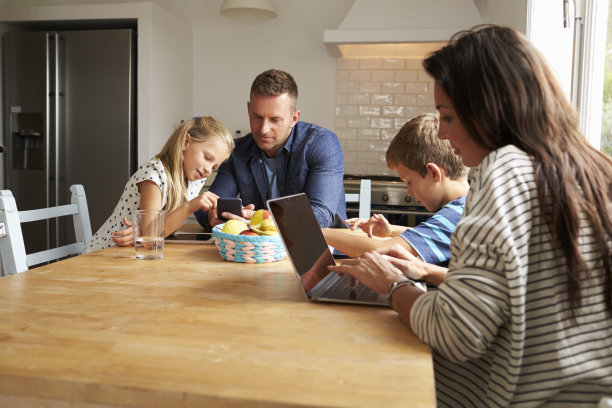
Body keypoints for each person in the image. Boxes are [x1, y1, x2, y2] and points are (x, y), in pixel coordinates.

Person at [329, 24, 612, 407]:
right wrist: (429, 273)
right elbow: (524, 290)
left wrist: (392, 285)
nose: (443, 135)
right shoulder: (590, 167)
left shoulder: (505, 172)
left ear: (487, 111)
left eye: (447, 117)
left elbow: (454, 331)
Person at [194, 69, 346, 230]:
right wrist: (212, 216)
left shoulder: (322, 144)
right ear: (249, 109)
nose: (263, 129)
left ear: (294, 118)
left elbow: (321, 216)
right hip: (261, 252)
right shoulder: (236, 152)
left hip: (324, 249)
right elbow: (209, 206)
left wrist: (260, 219)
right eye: (257, 117)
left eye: (275, 120)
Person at [322, 113, 468, 281]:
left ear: (433, 172)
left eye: (409, 182)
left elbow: (382, 250)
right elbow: (442, 237)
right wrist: (392, 231)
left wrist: (320, 232)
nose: (410, 193)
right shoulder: (466, 207)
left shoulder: (456, 215)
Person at [85, 116, 234, 252]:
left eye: (214, 167)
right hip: (105, 252)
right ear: (186, 142)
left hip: (133, 253)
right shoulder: (154, 175)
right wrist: (189, 206)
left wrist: (144, 231)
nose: (208, 170)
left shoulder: (194, 178)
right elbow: (151, 241)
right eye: (207, 157)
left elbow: (157, 230)